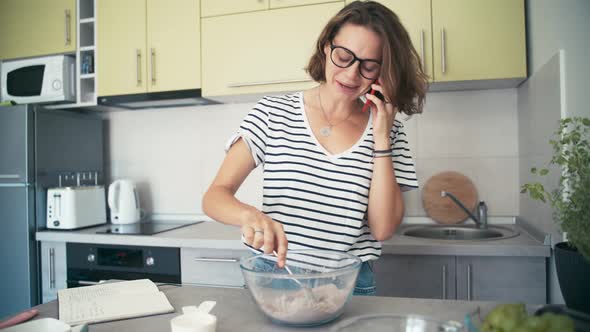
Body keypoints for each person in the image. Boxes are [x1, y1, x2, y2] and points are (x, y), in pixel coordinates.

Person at [202, 0, 427, 295]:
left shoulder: (390, 131)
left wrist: (381, 138)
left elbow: (383, 229)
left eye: (369, 65)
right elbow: (214, 196)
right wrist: (249, 215)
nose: (351, 74)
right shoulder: (272, 113)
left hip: (349, 285)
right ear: (326, 47)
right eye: (344, 56)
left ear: (383, 73)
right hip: (276, 276)